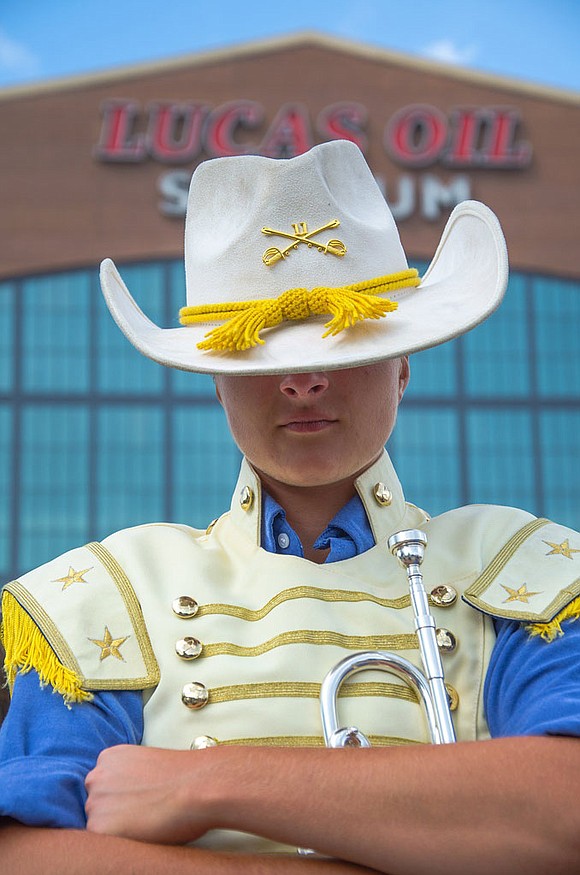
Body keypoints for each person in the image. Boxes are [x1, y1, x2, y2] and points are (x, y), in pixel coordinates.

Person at [1, 140, 580, 875]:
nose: (305, 381)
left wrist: (210, 781)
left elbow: (566, 814)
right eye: (263, 352)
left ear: (404, 364)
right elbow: (25, 856)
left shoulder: (526, 565)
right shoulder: (109, 592)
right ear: (215, 380)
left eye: (342, 343)